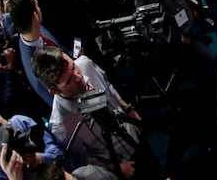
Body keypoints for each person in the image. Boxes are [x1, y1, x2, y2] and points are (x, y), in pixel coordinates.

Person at [31, 46, 148, 179]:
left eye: (73, 67)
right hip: (123, 163)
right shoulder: (61, 126)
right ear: (55, 91)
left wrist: (128, 109)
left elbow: (107, 86)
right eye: (68, 81)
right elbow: (85, 159)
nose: (78, 77)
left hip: (135, 134)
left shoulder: (85, 63)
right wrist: (116, 168)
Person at [0, 107, 65, 180]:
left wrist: (38, 159)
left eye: (9, 129)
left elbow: (61, 152)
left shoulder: (19, 122)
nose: (15, 136)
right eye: (7, 140)